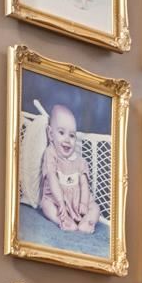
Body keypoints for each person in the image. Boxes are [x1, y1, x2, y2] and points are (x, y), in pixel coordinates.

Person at [33, 99, 102, 235]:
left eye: (72, 135)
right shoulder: (51, 153)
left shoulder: (81, 161)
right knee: (46, 205)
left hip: (77, 201)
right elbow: (51, 177)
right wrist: (61, 203)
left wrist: (83, 203)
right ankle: (61, 220)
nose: (67, 140)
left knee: (95, 207)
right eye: (61, 132)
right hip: (56, 198)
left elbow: (84, 185)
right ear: (50, 134)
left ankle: (87, 222)